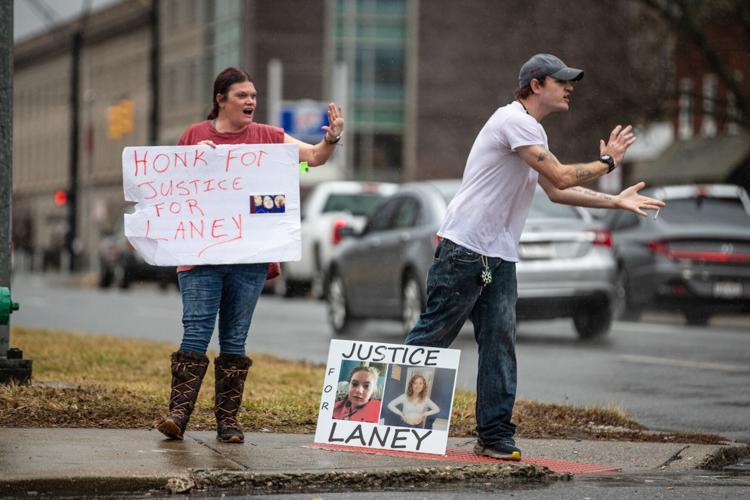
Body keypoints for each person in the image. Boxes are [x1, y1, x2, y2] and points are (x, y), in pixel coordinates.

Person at [404, 53, 665, 460]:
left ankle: (494, 436)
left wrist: (616, 201)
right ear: (536, 84)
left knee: (500, 342)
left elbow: (556, 190)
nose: (569, 88)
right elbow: (561, 176)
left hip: (498, 256)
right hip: (464, 249)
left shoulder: (532, 132)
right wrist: (608, 161)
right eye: (561, 81)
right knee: (432, 337)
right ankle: (391, 425)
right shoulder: (514, 120)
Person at [157, 67, 344, 444]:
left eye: (254, 96)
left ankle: (228, 423)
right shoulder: (194, 136)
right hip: (201, 257)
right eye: (242, 95)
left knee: (234, 339)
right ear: (220, 99)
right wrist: (192, 160)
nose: (251, 102)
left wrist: (332, 140)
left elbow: (313, 157)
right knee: (195, 330)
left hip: (249, 260)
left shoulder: (269, 138)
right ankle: (178, 414)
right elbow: (170, 190)